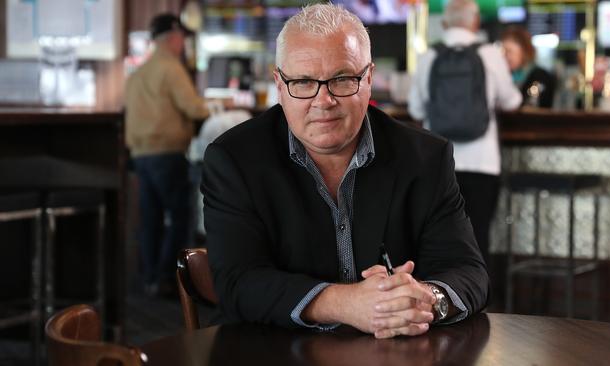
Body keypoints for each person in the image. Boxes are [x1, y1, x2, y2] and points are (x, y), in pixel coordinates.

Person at [201, 4, 487, 339]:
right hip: (270, 351)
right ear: (279, 84)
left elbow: (469, 272)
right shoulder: (234, 159)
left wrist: (425, 300)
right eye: (304, 82)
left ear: (368, 79)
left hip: (393, 356)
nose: (324, 101)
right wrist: (344, 303)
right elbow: (238, 282)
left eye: (342, 79)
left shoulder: (425, 158)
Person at [408, 0, 521, 269]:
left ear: (445, 23)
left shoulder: (429, 56)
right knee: (478, 235)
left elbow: (415, 107)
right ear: (475, 21)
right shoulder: (490, 54)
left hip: (440, 162)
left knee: (439, 238)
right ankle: (480, 301)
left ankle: (443, 299)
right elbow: (512, 101)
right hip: (483, 162)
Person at [125, 13, 210, 296]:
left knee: (150, 218)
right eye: (182, 39)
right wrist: (215, 107)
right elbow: (195, 109)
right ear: (174, 38)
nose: (182, 44)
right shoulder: (170, 68)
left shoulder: (139, 71)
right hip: (166, 153)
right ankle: (167, 279)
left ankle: (150, 278)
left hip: (140, 156)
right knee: (181, 216)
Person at [501, 25, 556, 108]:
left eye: (510, 51)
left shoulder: (540, 77)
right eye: (504, 52)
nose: (506, 57)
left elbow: (532, 107)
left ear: (524, 50)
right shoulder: (506, 76)